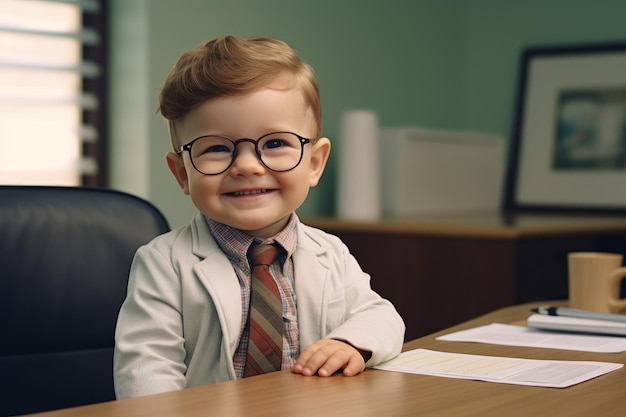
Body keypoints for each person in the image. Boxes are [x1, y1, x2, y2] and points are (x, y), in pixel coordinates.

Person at [113, 35, 405, 399]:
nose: (248, 166)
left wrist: (350, 343)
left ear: (314, 163)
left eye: (275, 143)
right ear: (183, 174)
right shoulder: (163, 263)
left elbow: (383, 317)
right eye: (217, 148)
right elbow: (146, 370)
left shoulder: (331, 252)